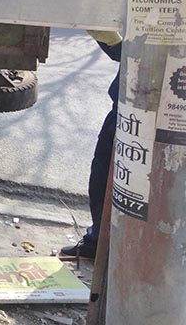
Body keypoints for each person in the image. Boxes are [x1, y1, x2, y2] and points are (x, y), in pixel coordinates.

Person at [60, 29, 122, 259]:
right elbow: (123, 52)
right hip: (126, 111)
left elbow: (122, 51)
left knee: (108, 180)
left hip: (148, 116)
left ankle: (105, 245)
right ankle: (99, 242)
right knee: (103, 180)